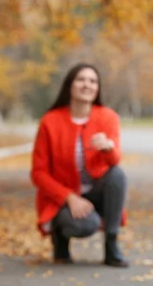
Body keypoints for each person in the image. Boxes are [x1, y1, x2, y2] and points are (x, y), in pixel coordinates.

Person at [30, 63, 129, 267]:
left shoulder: (108, 117)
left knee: (117, 175)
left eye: (93, 81)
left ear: (97, 88)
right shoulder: (50, 121)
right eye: (81, 79)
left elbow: (115, 161)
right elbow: (38, 173)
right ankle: (59, 236)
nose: (87, 85)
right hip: (62, 197)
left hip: (96, 192)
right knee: (87, 225)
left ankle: (111, 246)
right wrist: (69, 198)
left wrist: (108, 148)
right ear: (70, 85)